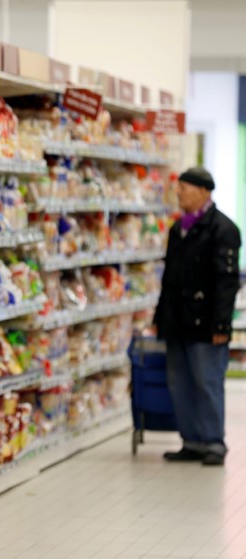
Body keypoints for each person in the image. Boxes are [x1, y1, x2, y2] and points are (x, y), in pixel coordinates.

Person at [155, 167, 241, 466]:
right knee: (180, 382)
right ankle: (191, 440)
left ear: (205, 191)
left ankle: (213, 441)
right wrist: (159, 317)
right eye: (178, 188)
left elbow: (226, 281)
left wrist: (221, 323)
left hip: (206, 324)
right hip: (177, 321)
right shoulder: (178, 229)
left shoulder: (223, 229)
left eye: (185, 188)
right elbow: (169, 278)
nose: (178, 193)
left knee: (207, 381)